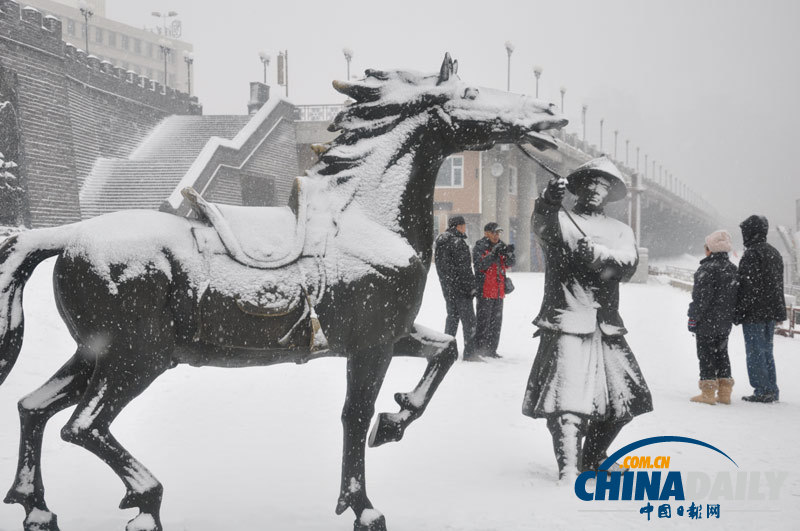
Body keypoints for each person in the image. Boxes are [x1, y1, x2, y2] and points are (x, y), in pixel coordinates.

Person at [523, 156, 652, 482]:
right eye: (592, 183)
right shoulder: (562, 221)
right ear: (579, 188)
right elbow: (541, 226)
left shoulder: (621, 230)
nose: (597, 190)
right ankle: (569, 467)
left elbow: (627, 264)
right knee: (566, 405)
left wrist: (597, 255)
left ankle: (594, 455)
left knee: (626, 401)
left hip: (605, 325)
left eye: (604, 186)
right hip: (567, 320)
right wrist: (548, 201)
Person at [735, 215, 786, 403]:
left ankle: (763, 389)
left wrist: (739, 312)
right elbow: (777, 285)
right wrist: (779, 311)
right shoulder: (774, 253)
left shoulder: (751, 254)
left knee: (755, 352)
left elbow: (746, 287)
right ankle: (771, 388)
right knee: (766, 351)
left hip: (754, 313)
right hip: (770, 312)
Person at [687, 230, 738, 405]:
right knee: (722, 353)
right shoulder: (732, 269)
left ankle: (708, 393)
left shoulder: (706, 269)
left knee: (706, 354)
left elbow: (700, 299)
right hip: (725, 322)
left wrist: (693, 319)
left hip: (707, 322)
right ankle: (725, 393)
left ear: (710, 249)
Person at [434, 215, 477, 360]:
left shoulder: (441, 243)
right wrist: (470, 287)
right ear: (458, 226)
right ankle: (470, 353)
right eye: (464, 225)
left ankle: (446, 351)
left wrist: (449, 285)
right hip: (461, 289)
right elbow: (463, 269)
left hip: (448, 288)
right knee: (469, 321)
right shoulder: (457, 242)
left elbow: (444, 269)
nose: (465, 228)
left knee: (452, 318)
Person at [472, 222, 515, 359]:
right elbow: (480, 266)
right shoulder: (479, 247)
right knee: (483, 322)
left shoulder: (501, 245)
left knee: (496, 324)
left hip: (499, 291)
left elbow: (509, 264)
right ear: (486, 233)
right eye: (494, 233)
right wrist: (493, 253)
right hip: (485, 290)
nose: (497, 236)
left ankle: (491, 350)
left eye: (498, 233)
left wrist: (510, 254)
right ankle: (480, 350)